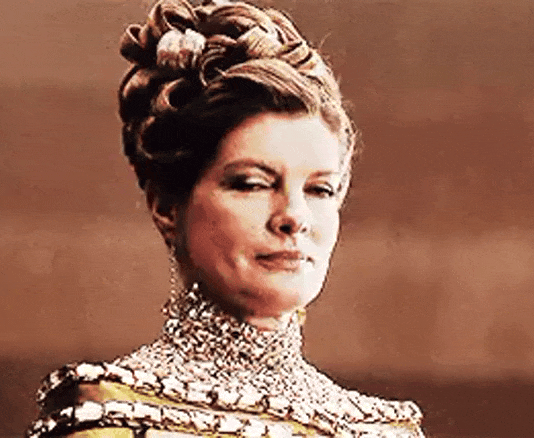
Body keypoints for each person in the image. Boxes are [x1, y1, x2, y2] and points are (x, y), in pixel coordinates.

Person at [25, 0, 424, 437]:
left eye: (319, 190)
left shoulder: (384, 431)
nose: (294, 217)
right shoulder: (109, 419)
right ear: (166, 207)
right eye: (252, 184)